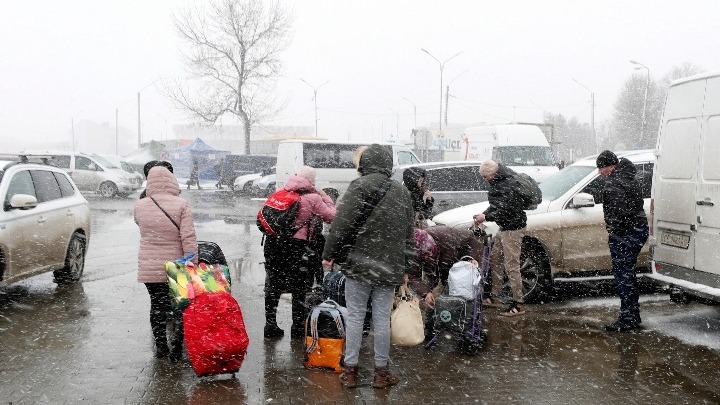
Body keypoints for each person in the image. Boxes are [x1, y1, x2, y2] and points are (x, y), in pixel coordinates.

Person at [322, 144, 414, 389]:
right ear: (388, 164)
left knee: (355, 316)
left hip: (359, 263)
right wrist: (407, 266)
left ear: (364, 163)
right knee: (382, 319)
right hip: (389, 265)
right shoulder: (401, 191)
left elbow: (341, 224)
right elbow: (409, 233)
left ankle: (351, 371)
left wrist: (329, 254)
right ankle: (381, 373)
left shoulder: (359, 186)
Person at [263, 166, 336, 339]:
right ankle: (297, 327)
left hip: (273, 245)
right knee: (300, 287)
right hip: (298, 248)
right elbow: (332, 217)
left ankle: (270, 325)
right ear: (311, 181)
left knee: (273, 285)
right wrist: (326, 197)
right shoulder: (313, 198)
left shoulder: (280, 193)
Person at [134, 166, 198, 361]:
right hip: (177, 267)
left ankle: (161, 347)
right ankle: (177, 349)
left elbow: (139, 224)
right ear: (172, 181)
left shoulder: (140, 205)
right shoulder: (181, 205)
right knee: (180, 307)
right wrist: (192, 263)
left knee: (157, 305)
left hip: (150, 267)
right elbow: (188, 237)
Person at [596, 150, 649, 332]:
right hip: (638, 230)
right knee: (627, 274)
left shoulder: (615, 183)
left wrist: (615, 232)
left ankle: (628, 318)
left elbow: (619, 213)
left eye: (601, 168)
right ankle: (632, 314)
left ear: (611, 166)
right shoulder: (629, 177)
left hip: (626, 234)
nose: (599, 172)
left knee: (624, 276)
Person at [473, 159, 527, 317]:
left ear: (493, 173)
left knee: (512, 266)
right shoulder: (499, 182)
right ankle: (496, 296)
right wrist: (484, 214)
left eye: (486, 177)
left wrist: (486, 216)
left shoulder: (507, 184)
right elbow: (497, 206)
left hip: (513, 228)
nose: (485, 180)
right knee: (495, 259)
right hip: (504, 227)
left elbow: (506, 209)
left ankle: (519, 303)